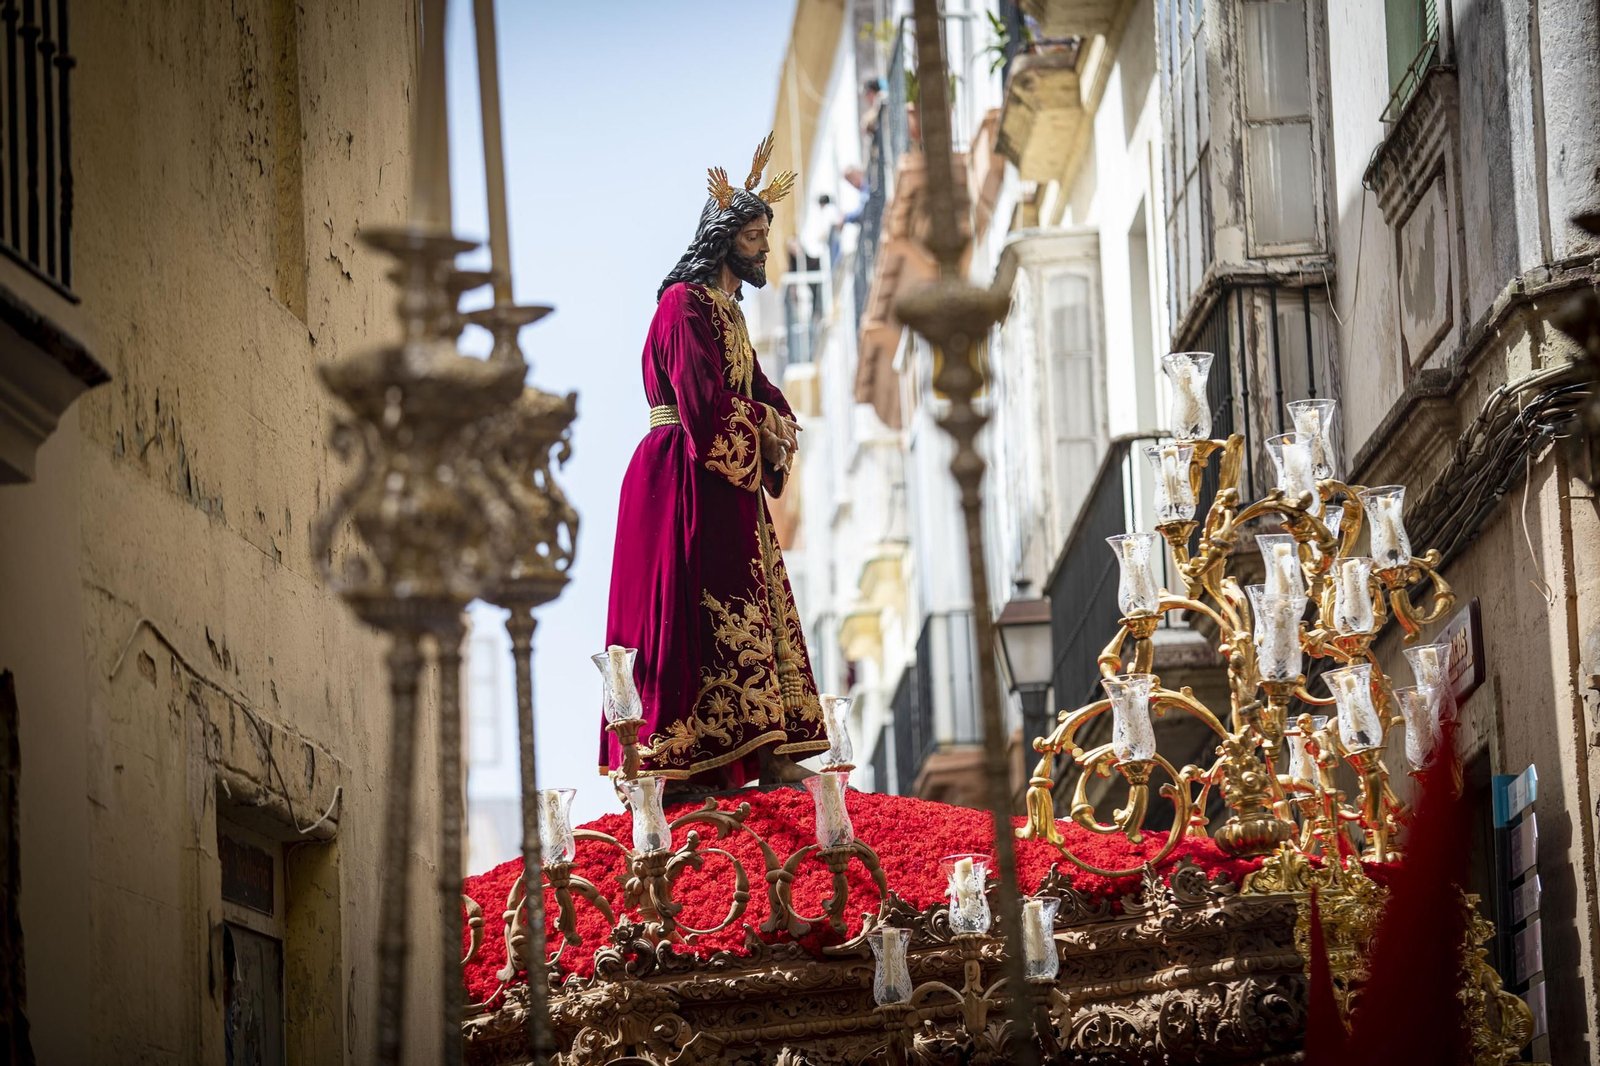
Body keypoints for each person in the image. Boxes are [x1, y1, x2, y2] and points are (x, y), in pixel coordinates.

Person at [601, 135, 826, 796]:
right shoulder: (682, 304)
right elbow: (702, 403)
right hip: (681, 476)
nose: (763, 250)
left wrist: (779, 420)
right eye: (753, 238)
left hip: (724, 480)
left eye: (764, 237)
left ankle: (768, 751)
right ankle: (681, 764)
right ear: (724, 239)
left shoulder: (729, 314)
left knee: (752, 606)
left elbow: (757, 389)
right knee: (689, 611)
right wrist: (764, 425)